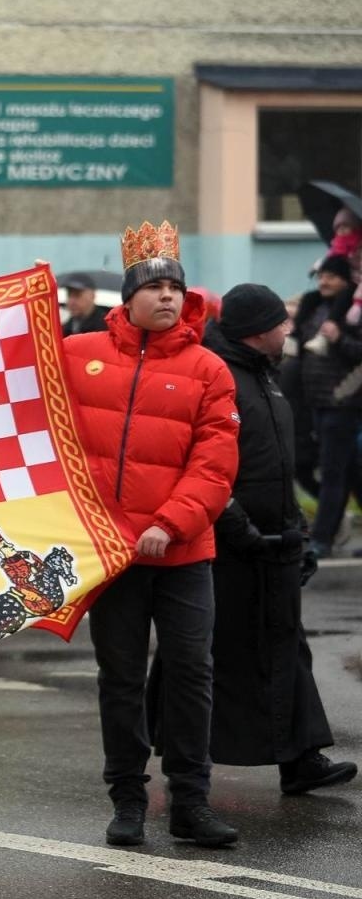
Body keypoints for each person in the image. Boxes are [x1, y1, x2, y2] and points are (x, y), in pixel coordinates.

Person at [63, 221, 240, 848]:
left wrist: (171, 522)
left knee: (191, 674)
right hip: (112, 555)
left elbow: (215, 464)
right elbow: (21, 395)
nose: (167, 296)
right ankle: (128, 800)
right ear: (128, 297)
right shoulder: (77, 353)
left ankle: (190, 802)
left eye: (175, 287)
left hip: (183, 553)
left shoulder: (209, 368)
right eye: (154, 286)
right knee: (120, 679)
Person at [148, 285, 356, 796]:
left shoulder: (269, 377)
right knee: (207, 653)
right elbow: (202, 466)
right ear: (258, 330)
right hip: (227, 546)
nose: (289, 328)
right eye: (281, 322)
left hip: (275, 544)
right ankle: (179, 756)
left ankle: (301, 757)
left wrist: (298, 531)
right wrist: (242, 530)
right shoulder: (218, 377)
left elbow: (278, 467)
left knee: (288, 648)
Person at [292, 254, 362, 557]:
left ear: (346, 280)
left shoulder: (353, 312)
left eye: (331, 276)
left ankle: (321, 539)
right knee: (351, 471)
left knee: (333, 472)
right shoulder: (314, 307)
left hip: (342, 401)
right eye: (321, 276)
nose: (324, 281)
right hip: (316, 403)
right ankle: (325, 534)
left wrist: (339, 338)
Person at [61, 272, 109, 337]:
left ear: (92, 296)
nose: (71, 302)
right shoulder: (66, 327)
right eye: (69, 295)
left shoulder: (105, 327)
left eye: (77, 295)